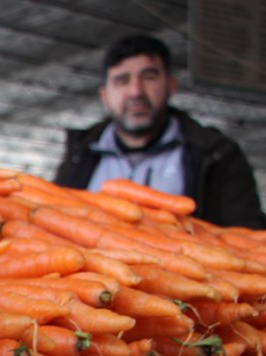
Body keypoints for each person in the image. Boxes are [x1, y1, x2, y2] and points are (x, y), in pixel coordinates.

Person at [53, 34, 265, 229]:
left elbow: (247, 239)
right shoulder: (78, 156)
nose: (136, 91)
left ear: (171, 85)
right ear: (104, 96)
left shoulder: (218, 155)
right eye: (122, 80)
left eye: (149, 77)